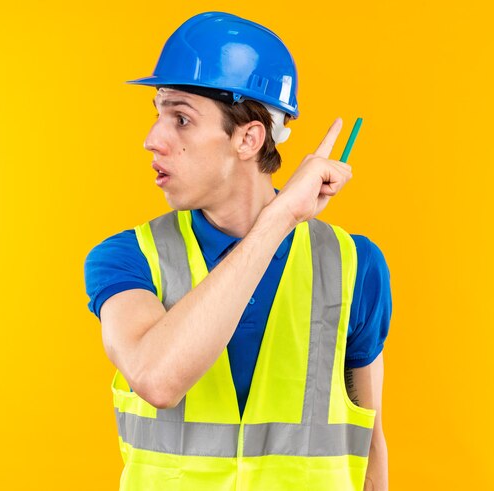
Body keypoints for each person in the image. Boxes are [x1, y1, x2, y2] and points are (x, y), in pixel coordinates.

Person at [84, 11, 392, 491]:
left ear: (248, 138)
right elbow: (157, 378)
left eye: (181, 118)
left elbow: (368, 443)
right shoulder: (127, 258)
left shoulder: (353, 266)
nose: (152, 140)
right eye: (158, 113)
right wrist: (279, 219)